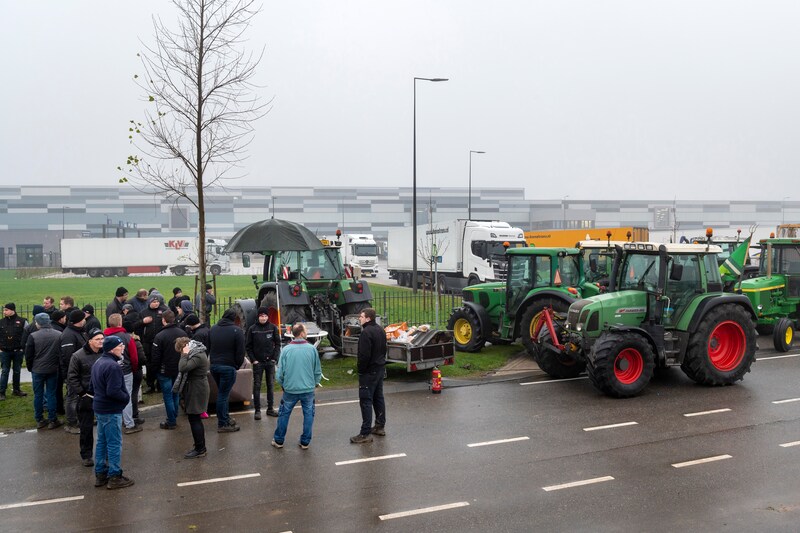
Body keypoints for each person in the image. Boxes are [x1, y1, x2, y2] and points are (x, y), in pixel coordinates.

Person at [90, 335, 134, 489]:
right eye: (120, 346)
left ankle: (100, 473)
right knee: (114, 443)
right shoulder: (113, 366)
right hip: (111, 409)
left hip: (100, 407)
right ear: (112, 348)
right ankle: (115, 475)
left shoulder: (98, 362)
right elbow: (113, 391)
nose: (123, 348)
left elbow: (92, 386)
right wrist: (125, 398)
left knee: (102, 441)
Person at [272, 323, 321, 450]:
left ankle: (279, 440)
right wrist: (315, 383)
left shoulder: (286, 350)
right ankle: (305, 441)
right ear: (302, 333)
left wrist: (282, 384)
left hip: (290, 388)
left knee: (284, 414)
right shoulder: (312, 349)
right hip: (308, 388)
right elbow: (317, 370)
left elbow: (280, 372)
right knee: (309, 414)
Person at [67, 328, 104, 466]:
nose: (101, 342)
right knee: (86, 427)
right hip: (87, 396)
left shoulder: (106, 353)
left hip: (103, 396)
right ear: (90, 341)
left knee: (105, 426)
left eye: (102, 339)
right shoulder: (78, 356)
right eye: (97, 339)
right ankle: (86, 455)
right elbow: (72, 377)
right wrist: (82, 393)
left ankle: (104, 453)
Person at [350, 307, 387, 444]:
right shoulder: (380, 330)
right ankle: (379, 426)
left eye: (361, 316)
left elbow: (364, 355)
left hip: (368, 372)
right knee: (378, 398)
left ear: (368, 318)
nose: (359, 318)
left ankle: (365, 433)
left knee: (366, 401)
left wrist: (361, 370)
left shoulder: (366, 333)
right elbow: (384, 349)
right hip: (379, 368)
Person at [24, 313, 63, 430]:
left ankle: (39, 419)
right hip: (53, 368)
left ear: (38, 323)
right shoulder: (58, 334)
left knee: (38, 395)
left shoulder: (33, 336)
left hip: (37, 369)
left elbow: (28, 355)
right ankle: (53, 419)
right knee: (51, 394)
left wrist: (30, 367)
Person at [104, 314, 142, 434]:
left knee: (111, 396)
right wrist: (134, 368)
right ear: (120, 323)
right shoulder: (127, 337)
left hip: (109, 371)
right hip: (125, 371)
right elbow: (134, 357)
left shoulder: (104, 337)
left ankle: (115, 422)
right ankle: (129, 423)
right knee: (126, 397)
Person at [208, 308, 244, 433]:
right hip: (228, 367)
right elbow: (240, 352)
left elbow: (209, 347)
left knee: (223, 394)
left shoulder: (213, 329)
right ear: (234, 318)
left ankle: (225, 417)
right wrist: (237, 365)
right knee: (223, 395)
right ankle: (222, 423)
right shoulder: (237, 331)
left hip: (214, 366)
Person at [175, 337, 210, 458]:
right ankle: (199, 446)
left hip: (197, 389)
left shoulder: (197, 356)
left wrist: (184, 355)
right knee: (194, 418)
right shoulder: (197, 353)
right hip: (195, 387)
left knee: (194, 418)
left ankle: (200, 449)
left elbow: (183, 367)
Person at [150, 310, 185, 429]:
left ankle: (171, 421)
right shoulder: (182, 333)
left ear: (163, 320)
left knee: (168, 396)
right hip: (179, 368)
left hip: (164, 370)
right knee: (175, 394)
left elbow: (155, 357)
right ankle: (174, 415)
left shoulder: (160, 336)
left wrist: (154, 371)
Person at [246, 307, 281, 420]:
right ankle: (257, 410)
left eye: (265, 316)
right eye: (261, 316)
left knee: (270, 385)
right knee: (257, 385)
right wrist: (253, 360)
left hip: (270, 362)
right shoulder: (252, 329)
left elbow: (277, 344)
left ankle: (270, 408)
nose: (264, 318)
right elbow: (248, 346)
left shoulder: (273, 328)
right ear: (258, 316)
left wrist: (274, 359)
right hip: (258, 363)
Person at [60, 309, 88, 434]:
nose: (85, 320)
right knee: (72, 397)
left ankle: (81, 419)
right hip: (73, 372)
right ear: (79, 320)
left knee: (80, 396)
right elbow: (67, 357)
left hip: (81, 371)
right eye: (83, 318)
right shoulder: (68, 335)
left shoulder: (79, 331)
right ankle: (72, 423)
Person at [137, 293, 167, 394]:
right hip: (148, 342)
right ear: (149, 302)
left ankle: (160, 385)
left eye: (157, 302)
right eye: (154, 302)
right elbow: (137, 327)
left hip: (160, 342)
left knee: (160, 362)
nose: (156, 304)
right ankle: (150, 385)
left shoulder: (163, 311)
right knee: (149, 364)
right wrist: (143, 321)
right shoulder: (143, 312)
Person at [0, 302, 29, 401]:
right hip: (4, 351)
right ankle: (1, 392)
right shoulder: (1, 322)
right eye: (4, 310)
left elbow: (27, 335)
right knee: (5, 371)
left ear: (13, 310)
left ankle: (16, 390)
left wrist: (23, 348)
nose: (4, 312)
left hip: (18, 351)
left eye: (6, 310)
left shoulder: (22, 321)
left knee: (17, 371)